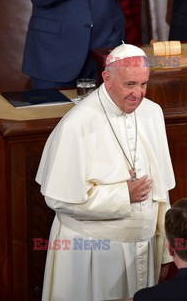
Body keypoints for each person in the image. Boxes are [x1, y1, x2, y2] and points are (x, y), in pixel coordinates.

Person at [35, 43, 175, 301]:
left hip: (145, 249)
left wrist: (165, 251)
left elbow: (161, 192)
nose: (138, 94)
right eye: (130, 84)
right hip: (94, 254)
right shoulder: (77, 124)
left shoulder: (152, 114)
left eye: (143, 85)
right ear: (107, 79)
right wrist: (124, 195)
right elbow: (58, 198)